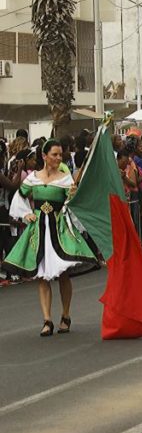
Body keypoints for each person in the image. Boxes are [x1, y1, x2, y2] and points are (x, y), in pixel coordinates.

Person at [2, 139, 98, 336]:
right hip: (38, 230)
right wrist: (25, 213)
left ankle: (65, 315)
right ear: (44, 156)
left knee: (63, 273)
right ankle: (47, 320)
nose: (58, 158)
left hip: (59, 229)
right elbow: (19, 197)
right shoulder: (33, 179)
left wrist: (73, 196)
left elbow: (73, 204)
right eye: (54, 154)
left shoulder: (66, 179)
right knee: (42, 275)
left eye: (60, 155)